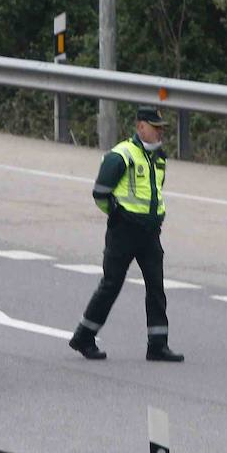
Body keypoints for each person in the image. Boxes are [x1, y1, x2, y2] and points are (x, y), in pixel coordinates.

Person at [69, 106, 184, 362]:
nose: (159, 133)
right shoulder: (121, 155)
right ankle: (83, 337)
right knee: (111, 285)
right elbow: (100, 193)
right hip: (124, 231)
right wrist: (118, 214)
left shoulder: (159, 158)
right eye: (155, 128)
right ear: (140, 127)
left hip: (150, 232)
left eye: (161, 129)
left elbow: (154, 193)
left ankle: (157, 344)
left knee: (156, 287)